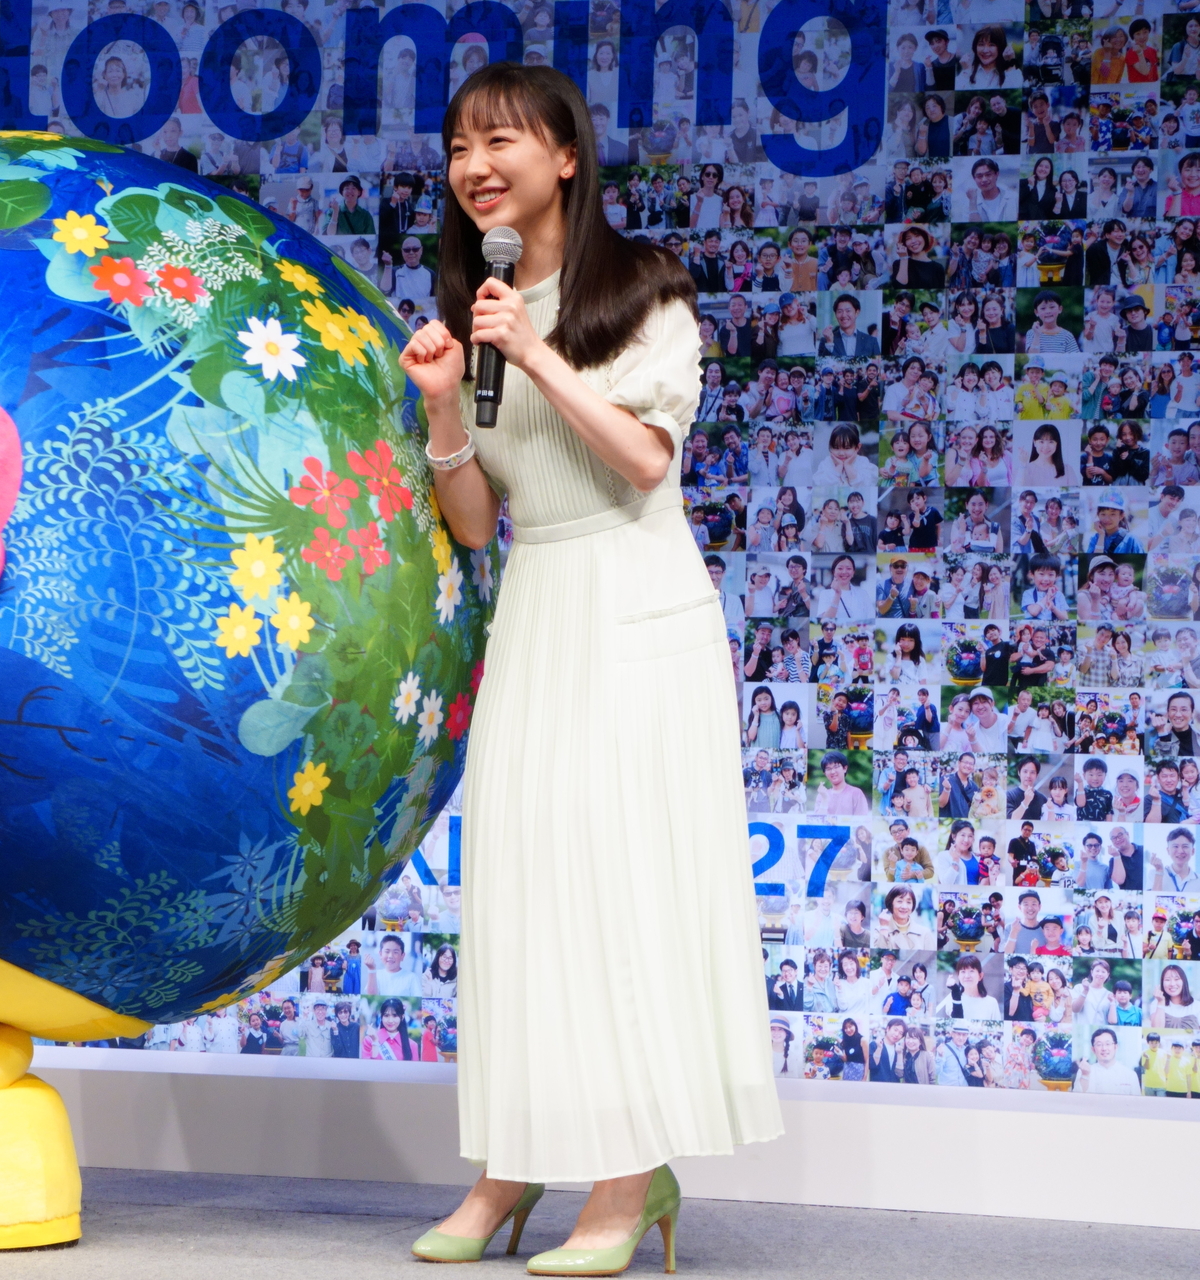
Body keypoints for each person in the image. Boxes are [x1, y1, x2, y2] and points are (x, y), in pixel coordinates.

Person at [400, 65, 779, 1269]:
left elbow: (639, 462)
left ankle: (627, 1179)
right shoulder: (487, 302)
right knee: (525, 893)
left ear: (565, 157)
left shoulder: (643, 293)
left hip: (637, 600)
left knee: (623, 890)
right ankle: (508, 1168)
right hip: (541, 608)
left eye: (499, 139)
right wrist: (445, 404)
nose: (475, 165)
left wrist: (536, 349)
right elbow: (475, 522)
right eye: (459, 145)